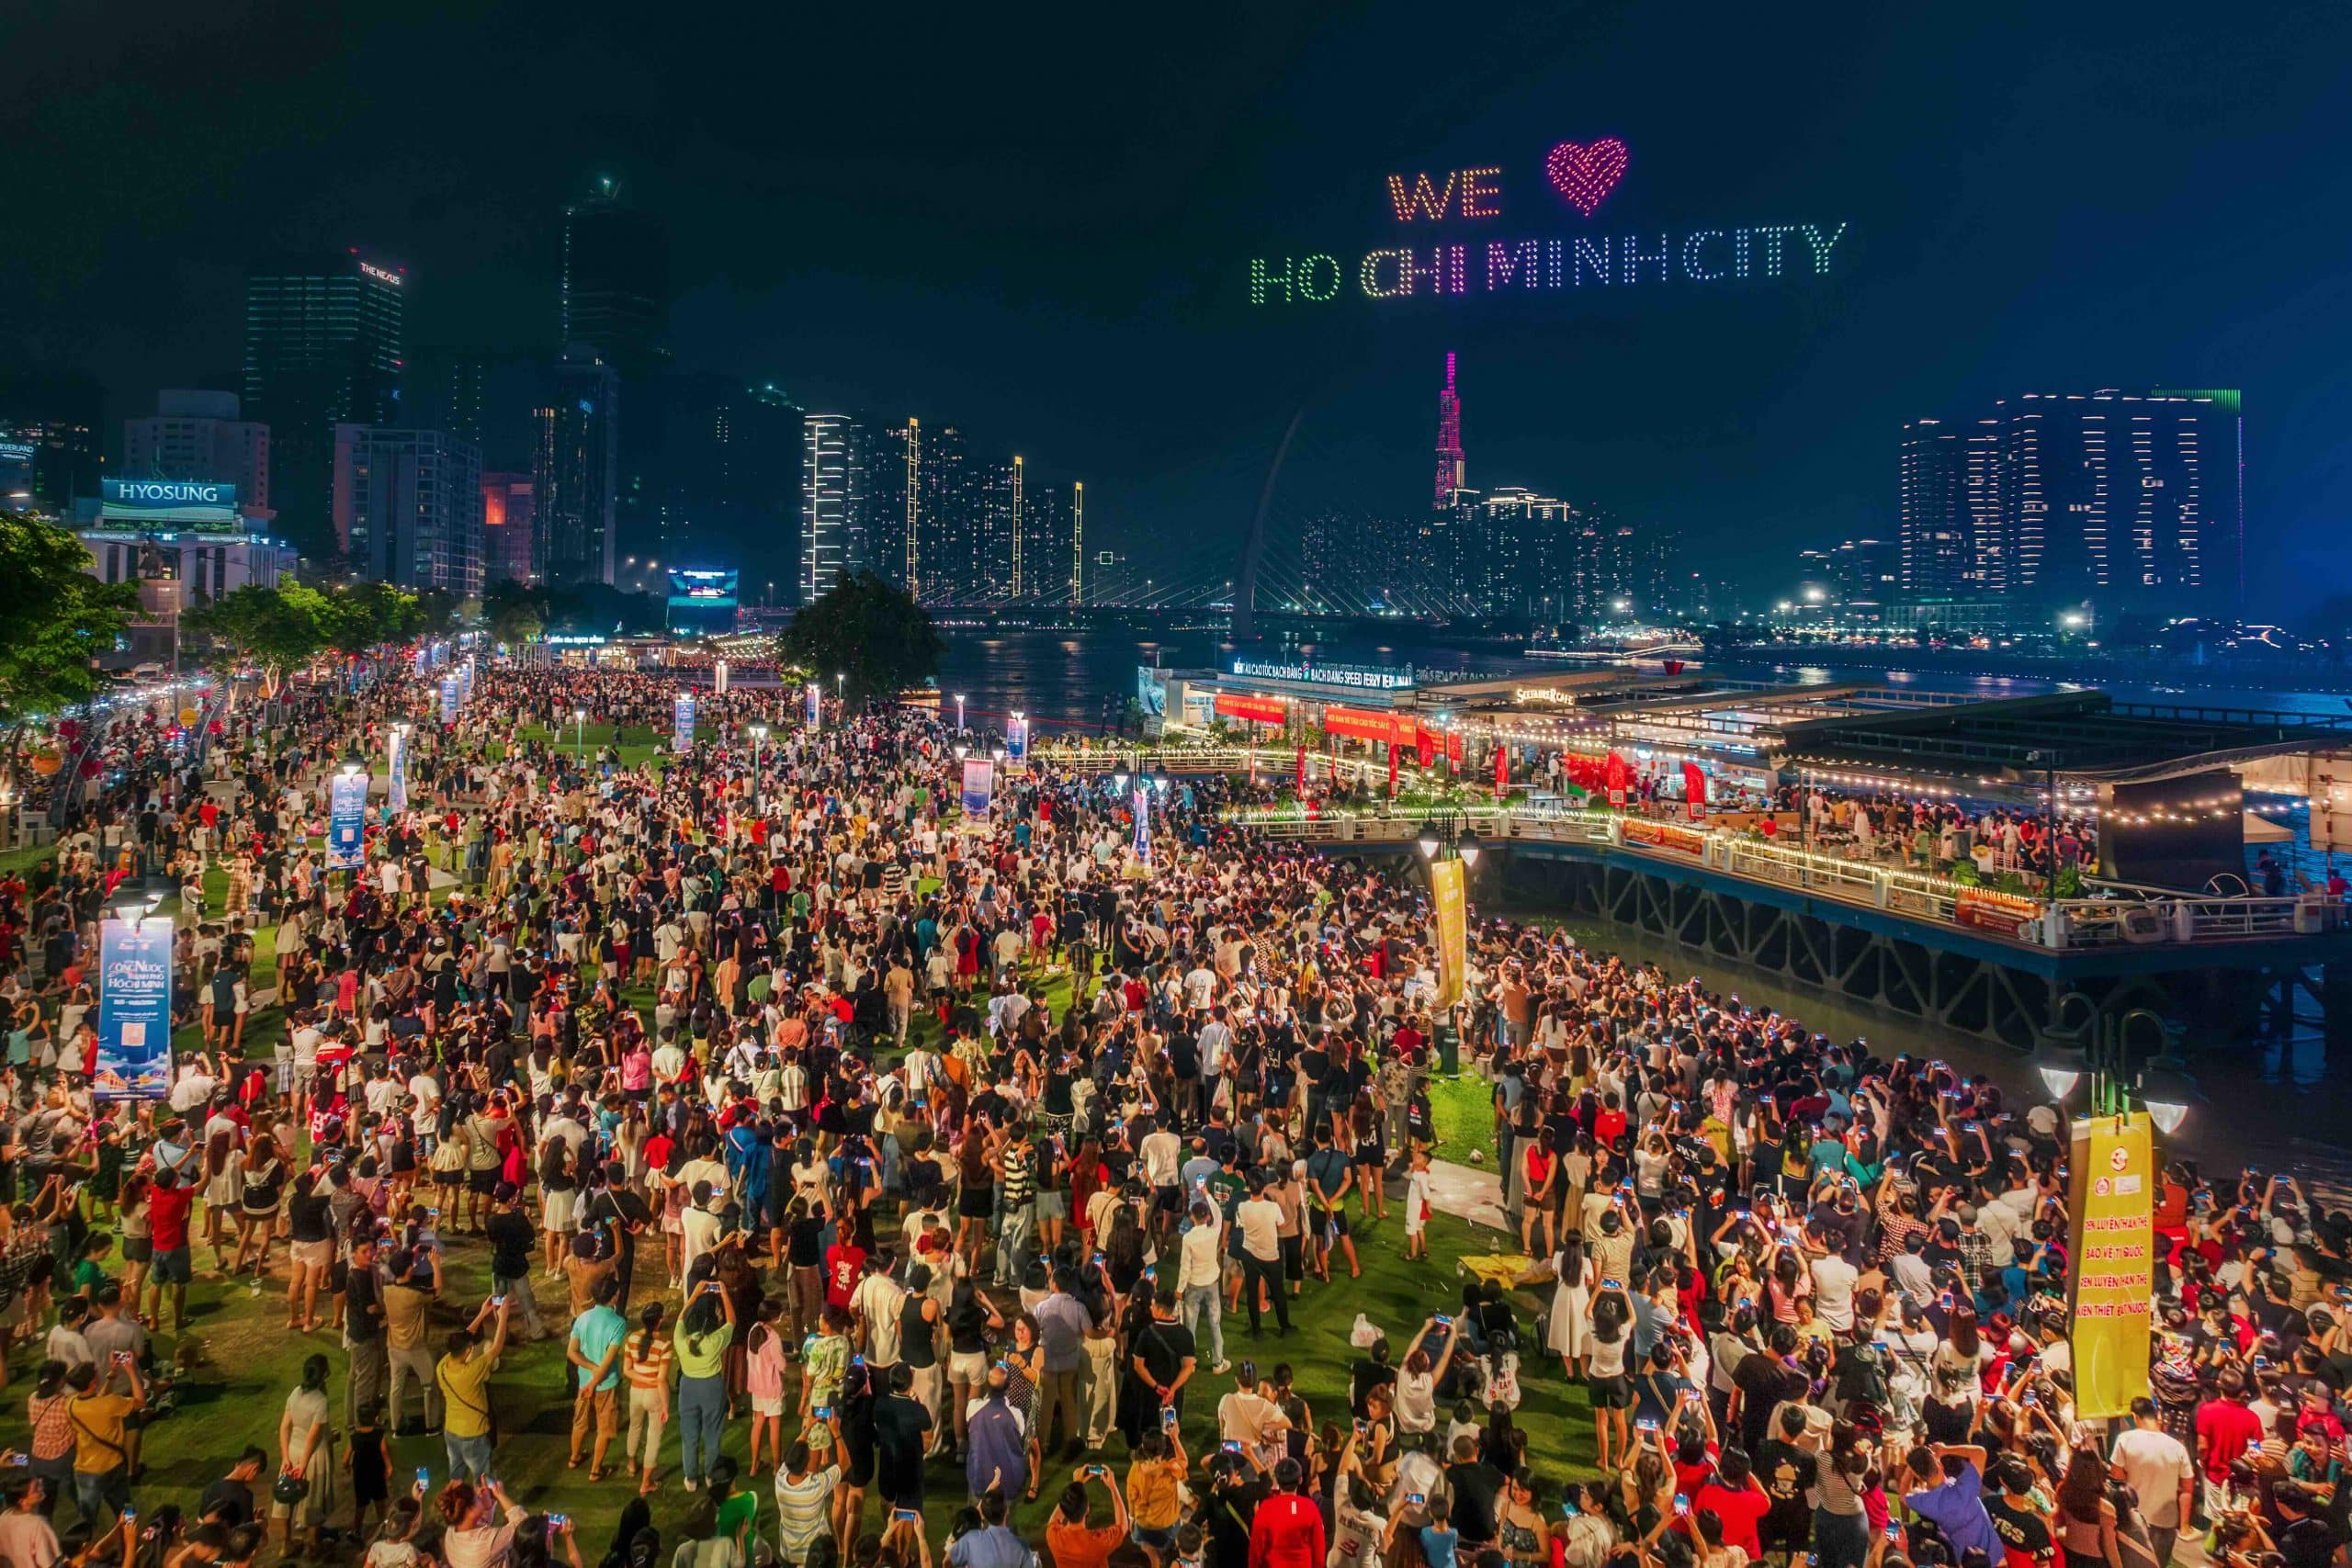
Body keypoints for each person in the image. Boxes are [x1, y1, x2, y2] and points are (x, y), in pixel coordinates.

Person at [2109, 1397, 2196, 1567]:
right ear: (2157, 1416)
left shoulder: (2125, 1439)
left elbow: (2116, 1476)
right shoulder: (2177, 1447)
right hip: (2166, 1521)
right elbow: (2187, 1490)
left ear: (2135, 1416)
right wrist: (2184, 1525)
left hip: (2134, 1520)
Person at [435, 1298, 512, 1483]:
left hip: (451, 1431)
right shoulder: (470, 1372)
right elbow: (496, 1348)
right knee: (483, 1480)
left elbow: (465, 1337)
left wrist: (482, 1314)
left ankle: (452, 1508)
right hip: (473, 1434)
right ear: (469, 1350)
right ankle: (485, 1511)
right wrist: (503, 1318)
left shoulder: (443, 1365)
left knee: (456, 1477)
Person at [566, 1274, 628, 1480]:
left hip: (584, 1382)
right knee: (605, 1428)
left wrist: (590, 1371)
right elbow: (608, 1361)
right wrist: (595, 1380)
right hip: (605, 1385)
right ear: (615, 1296)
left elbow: (572, 1353)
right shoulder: (618, 1323)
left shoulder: (582, 1318)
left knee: (580, 1423)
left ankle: (574, 1457)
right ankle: (595, 1470)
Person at [274, 1353, 333, 1559]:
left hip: (292, 1452)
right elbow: (312, 1437)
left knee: (285, 1501)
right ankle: (312, 1545)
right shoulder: (320, 1401)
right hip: (313, 1456)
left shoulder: (295, 1393)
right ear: (324, 1374)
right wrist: (304, 1465)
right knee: (313, 1500)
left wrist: (285, 1458)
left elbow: (283, 1427)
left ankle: (286, 1544)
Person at [1045, 1464, 1129, 1568]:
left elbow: (1054, 1518)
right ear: (1087, 1509)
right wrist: (1113, 1487)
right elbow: (1122, 1527)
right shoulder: (1097, 1543)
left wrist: (1076, 1486)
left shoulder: (1053, 1536)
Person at [1248, 1458, 1326, 1568]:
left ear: (1277, 1480)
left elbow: (1256, 1547)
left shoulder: (1266, 1508)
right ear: (1300, 1480)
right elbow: (1319, 1548)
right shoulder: (1310, 1507)